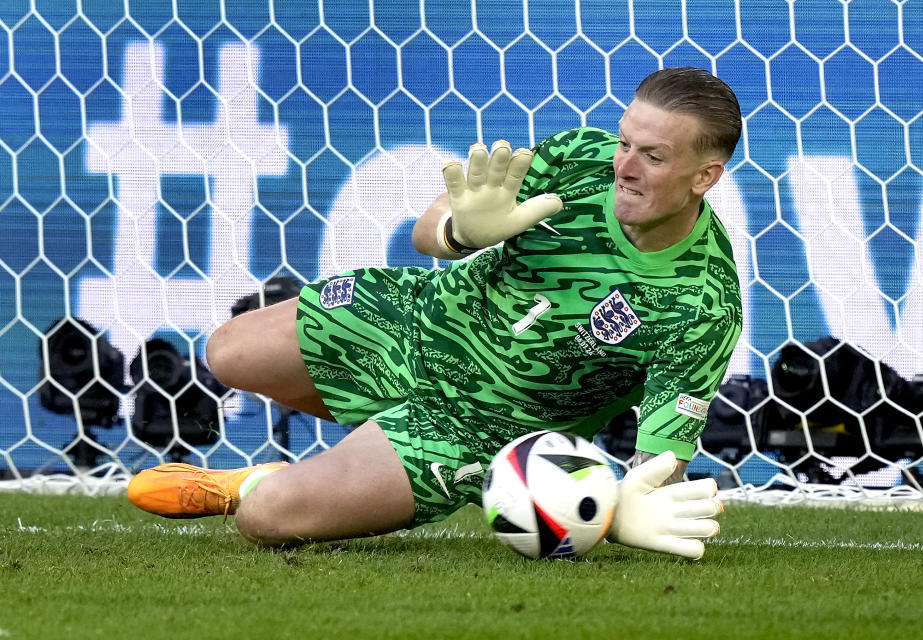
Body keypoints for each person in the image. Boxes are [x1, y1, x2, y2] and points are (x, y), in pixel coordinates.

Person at [128, 67, 742, 560]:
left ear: (705, 176)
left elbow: (659, 466)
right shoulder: (580, 157)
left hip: (474, 429)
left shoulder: (704, 305)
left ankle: (262, 484)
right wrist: (461, 233)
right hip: (419, 318)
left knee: (268, 518)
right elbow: (429, 230)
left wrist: (612, 512)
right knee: (227, 351)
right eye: (625, 141)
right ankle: (370, 453)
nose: (624, 166)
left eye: (653, 157)